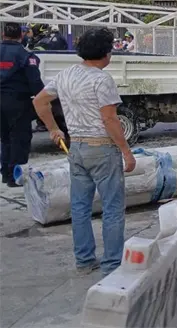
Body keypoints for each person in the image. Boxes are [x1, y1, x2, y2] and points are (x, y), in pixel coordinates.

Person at [33, 28, 136, 276]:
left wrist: (54, 129)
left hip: (76, 147)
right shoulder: (102, 80)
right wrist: (126, 151)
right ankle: (112, 264)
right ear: (106, 53)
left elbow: (39, 101)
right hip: (101, 148)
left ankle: (85, 260)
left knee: (80, 207)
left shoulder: (66, 74)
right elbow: (110, 119)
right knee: (112, 207)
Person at [0, 22, 45, 187]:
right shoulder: (26, 55)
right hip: (18, 102)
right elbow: (35, 82)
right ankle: (15, 177)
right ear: (21, 36)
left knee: (5, 138)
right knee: (19, 139)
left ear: (3, 35)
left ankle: (5, 173)